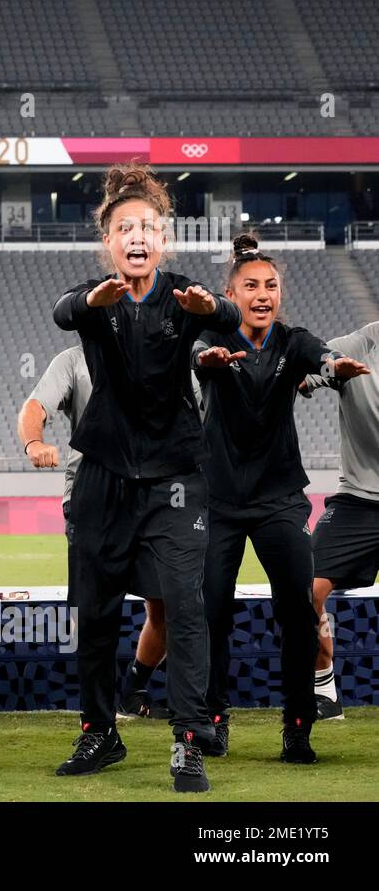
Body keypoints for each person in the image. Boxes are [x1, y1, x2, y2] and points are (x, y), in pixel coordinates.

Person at [52, 163, 240, 793]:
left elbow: (232, 319)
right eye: (124, 228)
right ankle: (99, 732)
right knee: (96, 613)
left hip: (175, 477)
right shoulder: (94, 297)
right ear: (108, 241)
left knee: (187, 607)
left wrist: (215, 307)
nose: (137, 236)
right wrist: (88, 303)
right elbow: (61, 311)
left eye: (148, 228)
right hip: (103, 476)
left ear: (165, 239)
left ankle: (189, 741)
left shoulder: (185, 295)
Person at [193, 232, 368, 764]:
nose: (263, 293)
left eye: (271, 285)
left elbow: (324, 356)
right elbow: (199, 357)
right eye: (251, 286)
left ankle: (297, 727)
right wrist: (211, 359)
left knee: (297, 613)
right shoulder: (210, 338)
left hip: (279, 502)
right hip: (217, 502)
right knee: (212, 614)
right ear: (232, 293)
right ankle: (213, 722)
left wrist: (336, 367)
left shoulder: (292, 341)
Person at [18, 344, 190, 721]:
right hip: (91, 494)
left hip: (155, 495)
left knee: (168, 603)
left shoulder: (168, 353)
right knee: (92, 615)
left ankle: (135, 687)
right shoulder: (72, 359)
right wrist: (33, 441)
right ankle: (97, 726)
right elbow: (35, 407)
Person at [300, 321, 379, 720]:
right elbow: (306, 369)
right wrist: (310, 378)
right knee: (305, 588)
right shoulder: (358, 345)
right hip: (359, 500)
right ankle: (324, 688)